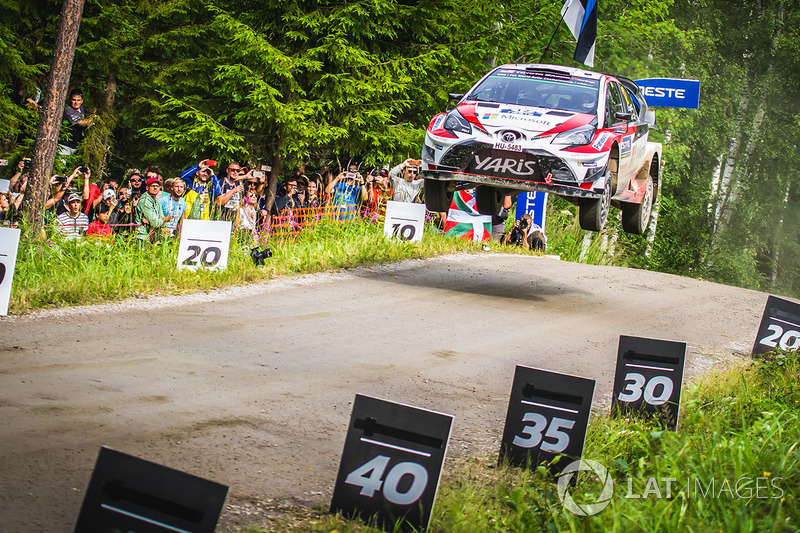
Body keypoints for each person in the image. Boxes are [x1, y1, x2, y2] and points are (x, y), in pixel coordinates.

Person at [135, 176, 171, 243]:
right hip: (142, 237)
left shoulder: (157, 202)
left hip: (154, 236)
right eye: (152, 186)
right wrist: (165, 219)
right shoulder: (144, 201)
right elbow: (155, 223)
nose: (155, 188)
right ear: (147, 188)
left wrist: (163, 226)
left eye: (157, 186)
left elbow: (161, 221)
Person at [59, 90, 92, 157]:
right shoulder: (68, 110)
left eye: (78, 100)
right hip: (65, 145)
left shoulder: (82, 109)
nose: (76, 102)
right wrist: (93, 119)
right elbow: (82, 123)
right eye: (73, 100)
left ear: (82, 101)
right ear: (70, 100)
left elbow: (91, 111)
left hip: (76, 146)